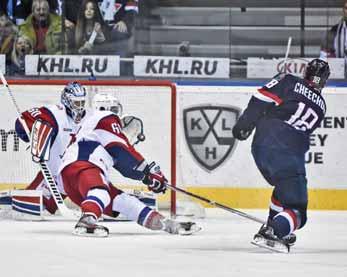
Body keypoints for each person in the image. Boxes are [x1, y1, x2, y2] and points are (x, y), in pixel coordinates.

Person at [58, 94, 201, 237]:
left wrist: (147, 177)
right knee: (101, 192)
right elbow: (121, 148)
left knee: (124, 201)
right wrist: (148, 172)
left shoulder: (92, 128)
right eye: (114, 108)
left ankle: (167, 225)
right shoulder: (105, 117)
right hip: (82, 165)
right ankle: (86, 221)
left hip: (73, 178)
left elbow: (124, 166)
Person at [232, 59, 330, 253]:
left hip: (261, 147)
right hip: (289, 155)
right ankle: (276, 231)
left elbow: (261, 98)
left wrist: (244, 125)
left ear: (306, 73)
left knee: (282, 190)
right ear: (323, 81)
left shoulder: (289, 81)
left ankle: (272, 225)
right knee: (297, 211)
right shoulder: (321, 106)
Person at [15, 82, 87, 214]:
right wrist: (39, 129)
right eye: (77, 103)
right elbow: (22, 120)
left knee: (97, 198)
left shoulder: (88, 120)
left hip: (76, 176)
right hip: (53, 176)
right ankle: (8, 199)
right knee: (34, 207)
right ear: (67, 101)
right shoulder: (54, 113)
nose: (80, 108)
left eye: (82, 103)